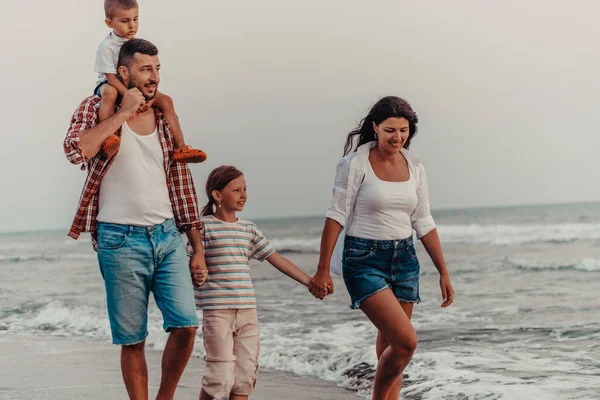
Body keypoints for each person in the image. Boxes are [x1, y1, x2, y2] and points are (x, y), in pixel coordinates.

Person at [63, 38, 208, 400]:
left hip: (167, 235)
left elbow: (182, 185)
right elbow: (76, 150)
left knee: (187, 325)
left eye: (157, 69)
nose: (154, 77)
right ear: (123, 72)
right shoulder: (96, 106)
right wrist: (124, 113)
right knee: (133, 340)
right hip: (118, 240)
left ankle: (165, 397)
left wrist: (197, 246)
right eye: (146, 69)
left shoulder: (162, 116)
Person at [309, 96, 455, 399]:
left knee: (391, 348)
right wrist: (323, 269)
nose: (397, 137)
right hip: (364, 260)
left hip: (404, 260)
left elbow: (423, 220)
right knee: (405, 343)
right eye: (390, 130)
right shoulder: (355, 164)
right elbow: (336, 215)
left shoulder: (415, 166)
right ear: (374, 127)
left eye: (403, 130)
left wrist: (444, 271)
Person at [187, 165, 324, 400]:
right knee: (219, 378)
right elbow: (193, 263)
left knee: (244, 379)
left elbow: (277, 259)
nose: (243, 195)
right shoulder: (203, 228)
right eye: (236, 190)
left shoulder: (249, 229)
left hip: (248, 311)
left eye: (245, 189)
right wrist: (197, 274)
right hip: (218, 312)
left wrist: (309, 281)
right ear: (217, 195)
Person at [94, 0, 206, 163]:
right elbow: (111, 77)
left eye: (135, 19)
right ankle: (107, 138)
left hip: (131, 86)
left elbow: (142, 76)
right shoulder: (107, 47)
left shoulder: (135, 44)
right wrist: (130, 96)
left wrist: (148, 98)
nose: (132, 25)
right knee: (109, 94)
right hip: (109, 84)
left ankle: (180, 147)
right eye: (125, 21)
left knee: (166, 101)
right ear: (109, 23)